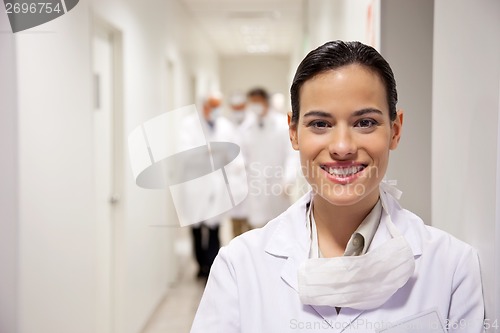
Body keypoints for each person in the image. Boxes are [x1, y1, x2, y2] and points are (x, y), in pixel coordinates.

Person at [190, 41, 485, 331]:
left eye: (365, 122)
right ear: (293, 133)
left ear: (395, 131)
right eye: (320, 124)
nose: (342, 147)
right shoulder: (239, 266)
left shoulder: (452, 267)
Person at [178, 94, 235, 278]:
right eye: (213, 106)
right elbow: (185, 153)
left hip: (216, 183)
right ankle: (200, 265)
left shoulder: (225, 125)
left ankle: (212, 266)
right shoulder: (189, 124)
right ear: (204, 107)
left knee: (214, 227)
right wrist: (208, 152)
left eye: (219, 106)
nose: (216, 111)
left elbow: (233, 150)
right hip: (196, 183)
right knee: (196, 228)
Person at [240, 87, 299, 228]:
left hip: (278, 185)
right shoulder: (246, 128)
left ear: (266, 102)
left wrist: (288, 179)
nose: (255, 106)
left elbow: (292, 154)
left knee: (280, 227)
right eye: (252, 102)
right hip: (255, 186)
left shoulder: (282, 125)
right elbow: (242, 157)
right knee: (257, 230)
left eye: (257, 102)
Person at [227, 93, 252, 237]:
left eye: (240, 107)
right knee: (235, 230)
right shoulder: (226, 126)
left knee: (252, 230)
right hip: (233, 183)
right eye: (235, 108)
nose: (238, 110)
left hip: (251, 179)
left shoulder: (252, 124)